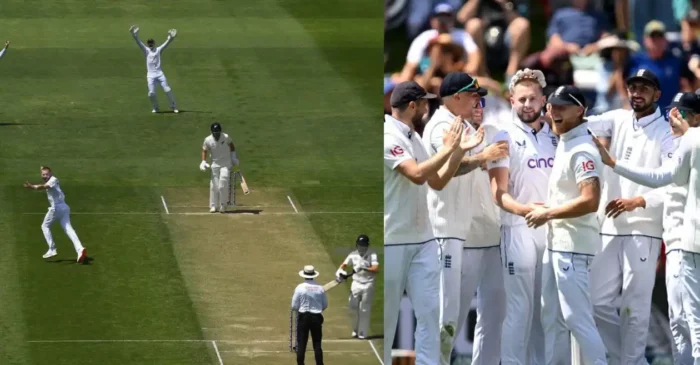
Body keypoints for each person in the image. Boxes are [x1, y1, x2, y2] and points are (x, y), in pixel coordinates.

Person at [592, 92, 700, 365]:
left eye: (681, 113)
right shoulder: (685, 143)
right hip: (678, 242)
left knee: (691, 323)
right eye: (672, 112)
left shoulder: (691, 142)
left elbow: (660, 179)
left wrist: (615, 164)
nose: (673, 118)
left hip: (689, 244)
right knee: (680, 321)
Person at [383, 80, 482, 365]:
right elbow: (415, 174)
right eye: (425, 102)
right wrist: (448, 148)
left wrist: (459, 151)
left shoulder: (414, 137)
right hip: (393, 240)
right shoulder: (389, 136)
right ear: (413, 105)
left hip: (423, 240)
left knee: (429, 315)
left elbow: (437, 181)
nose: (429, 106)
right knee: (388, 320)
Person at [586, 68, 677, 365]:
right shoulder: (618, 119)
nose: (637, 93)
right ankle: (631, 361)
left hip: (644, 229)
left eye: (645, 88)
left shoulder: (666, 134)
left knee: (634, 308)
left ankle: (631, 360)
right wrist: (555, 112)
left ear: (657, 94)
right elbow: (580, 120)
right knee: (596, 302)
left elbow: (671, 185)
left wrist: (639, 200)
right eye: (633, 87)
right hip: (610, 226)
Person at [420, 72, 508, 365]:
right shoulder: (440, 128)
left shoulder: (467, 127)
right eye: (473, 95)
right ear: (456, 97)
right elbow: (446, 171)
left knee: (475, 317)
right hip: (450, 234)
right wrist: (483, 157)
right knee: (447, 316)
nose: (477, 100)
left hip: (477, 233)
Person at [525, 85, 607, 365]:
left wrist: (548, 214)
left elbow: (590, 200)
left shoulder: (582, 148)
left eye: (561, 106)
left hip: (572, 247)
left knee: (577, 319)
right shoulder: (567, 141)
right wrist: (548, 209)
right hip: (557, 244)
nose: (553, 111)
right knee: (552, 318)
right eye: (551, 105)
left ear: (580, 110)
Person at [487, 68, 555, 365]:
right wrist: (528, 211)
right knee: (519, 308)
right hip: (518, 229)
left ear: (543, 100)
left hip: (552, 229)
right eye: (521, 99)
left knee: (547, 309)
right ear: (511, 101)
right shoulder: (504, 138)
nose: (527, 104)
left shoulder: (556, 137)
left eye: (533, 98)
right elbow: (498, 193)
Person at [24, 166, 87, 263]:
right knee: (68, 229)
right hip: (64, 208)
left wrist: (32, 187)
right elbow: (45, 181)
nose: (45, 176)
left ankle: (52, 249)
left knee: (45, 226)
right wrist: (42, 168)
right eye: (43, 174)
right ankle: (80, 249)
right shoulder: (51, 179)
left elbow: (44, 187)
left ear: (51, 174)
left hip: (56, 208)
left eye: (47, 174)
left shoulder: (53, 180)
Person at [628, 21, 695, 110]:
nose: (656, 41)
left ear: (665, 40)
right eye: (653, 37)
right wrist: (625, 101)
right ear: (645, 40)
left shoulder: (677, 60)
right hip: (642, 114)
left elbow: (689, 83)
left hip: (669, 115)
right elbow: (621, 77)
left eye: (659, 37)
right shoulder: (635, 60)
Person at [335, 234, 379, 339]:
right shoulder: (353, 255)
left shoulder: (372, 255)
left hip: (368, 284)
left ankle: (363, 332)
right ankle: (355, 330)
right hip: (356, 283)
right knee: (353, 308)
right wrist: (340, 272)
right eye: (359, 245)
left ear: (367, 245)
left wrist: (365, 267)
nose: (361, 247)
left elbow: (376, 269)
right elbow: (344, 265)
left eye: (363, 245)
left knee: (364, 309)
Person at [129, 25, 179, 114]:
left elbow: (166, 43)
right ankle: (156, 107)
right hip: (150, 75)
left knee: (167, 89)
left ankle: (173, 106)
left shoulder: (158, 50)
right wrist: (134, 35)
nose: (150, 44)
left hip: (160, 74)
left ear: (154, 43)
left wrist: (171, 37)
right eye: (149, 43)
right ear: (148, 44)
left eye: (151, 43)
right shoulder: (146, 50)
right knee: (151, 93)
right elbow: (138, 42)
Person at [291, 265, 328, 365]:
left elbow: (294, 305)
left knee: (302, 343)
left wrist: (300, 309)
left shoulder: (300, 288)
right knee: (317, 343)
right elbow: (324, 305)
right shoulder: (320, 288)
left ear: (304, 275)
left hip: (303, 317)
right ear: (313, 275)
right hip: (316, 317)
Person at [200, 122, 239, 213]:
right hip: (215, 165)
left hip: (226, 164)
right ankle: (213, 206)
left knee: (223, 184)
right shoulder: (208, 139)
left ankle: (223, 205)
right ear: (212, 132)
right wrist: (203, 161)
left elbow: (232, 146)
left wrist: (233, 157)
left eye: (218, 133)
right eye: (215, 133)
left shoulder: (225, 137)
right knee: (214, 186)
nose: (217, 134)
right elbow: (204, 150)